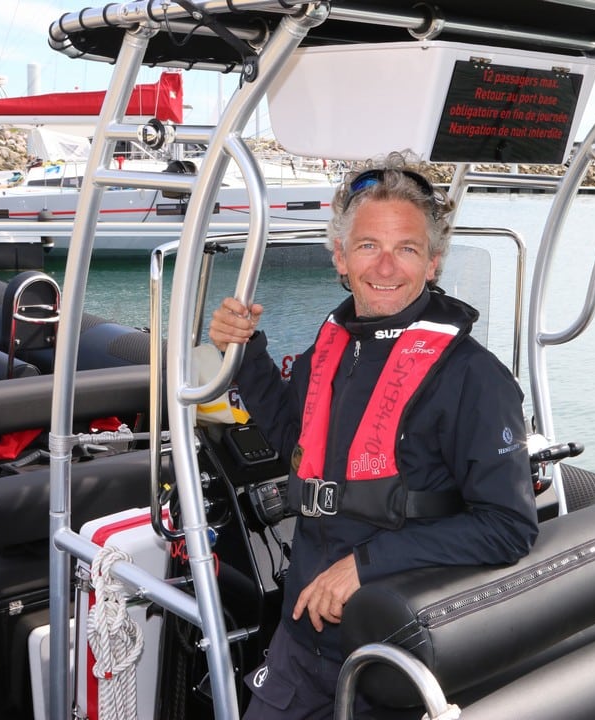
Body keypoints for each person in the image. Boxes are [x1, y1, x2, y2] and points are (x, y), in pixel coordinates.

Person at [208, 152, 539, 719]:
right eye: (368, 247)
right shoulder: (334, 345)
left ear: (433, 263)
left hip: (395, 660)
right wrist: (244, 353)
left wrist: (368, 563)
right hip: (300, 644)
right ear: (340, 256)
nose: (385, 268)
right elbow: (296, 439)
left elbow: (508, 528)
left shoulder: (474, 379)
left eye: (406, 249)